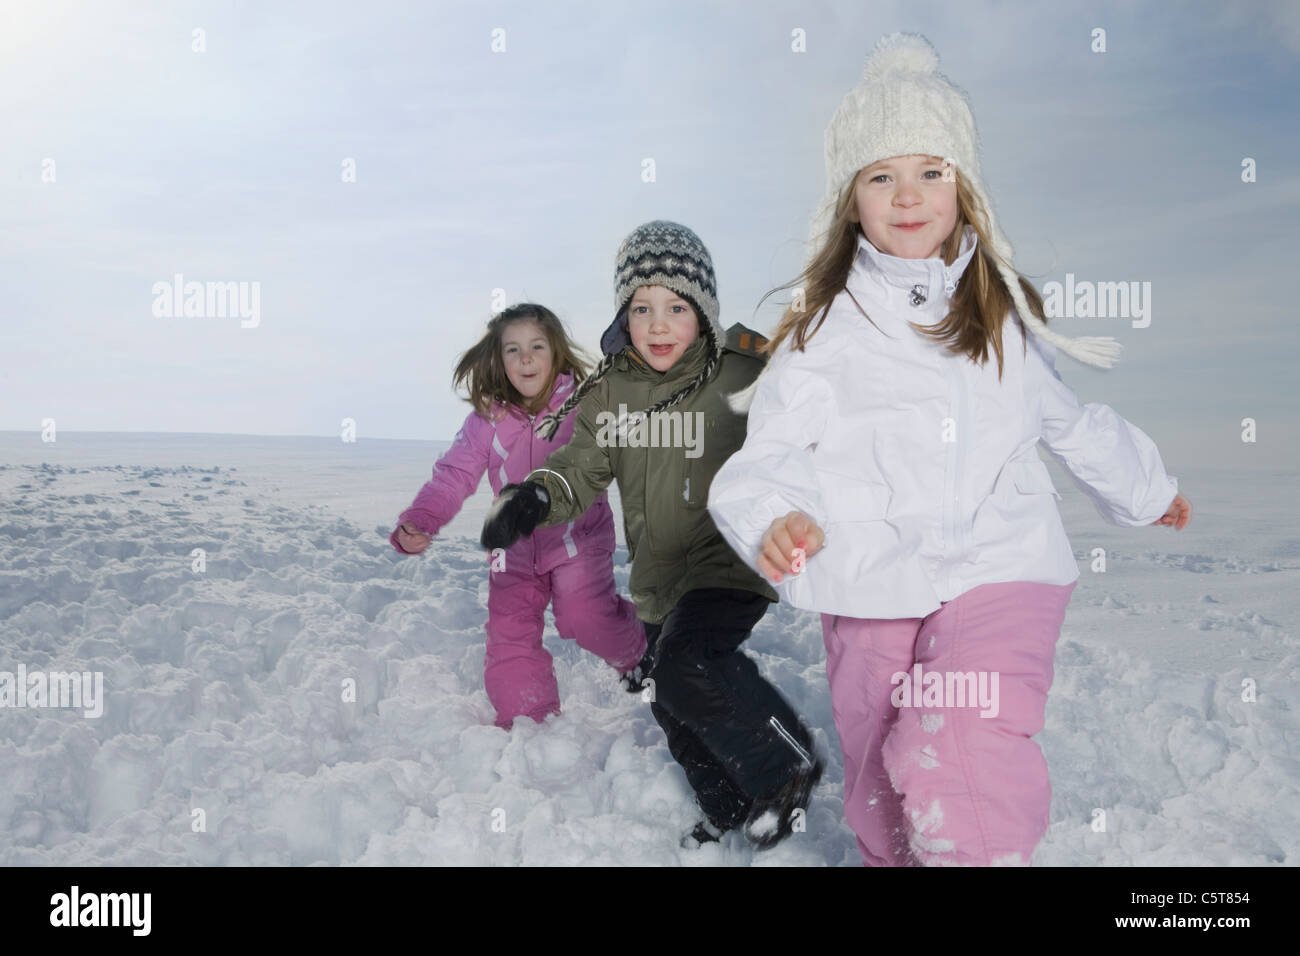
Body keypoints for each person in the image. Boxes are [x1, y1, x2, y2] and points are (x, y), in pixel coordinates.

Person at [707, 33, 1191, 866]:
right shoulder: (825, 331)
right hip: (873, 579)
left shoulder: (998, 315)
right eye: (880, 175)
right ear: (849, 197)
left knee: (952, 736)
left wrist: (1145, 489)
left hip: (1000, 568)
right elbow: (772, 445)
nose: (908, 195)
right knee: (880, 770)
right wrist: (775, 515)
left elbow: (1066, 420)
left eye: (932, 170)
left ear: (965, 187)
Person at [481, 221, 823, 850]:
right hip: (660, 579)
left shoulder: (741, 373)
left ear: (705, 311)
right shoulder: (610, 390)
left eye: (676, 307)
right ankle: (728, 806)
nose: (659, 324)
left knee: (691, 661)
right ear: (623, 316)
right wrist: (536, 493)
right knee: (670, 696)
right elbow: (581, 464)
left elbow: (811, 412)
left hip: (729, 560)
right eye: (642, 308)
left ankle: (787, 764)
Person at [391, 303, 646, 731]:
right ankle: (530, 718)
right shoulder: (486, 422)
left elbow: (623, 455)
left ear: (556, 353)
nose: (525, 358)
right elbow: (454, 475)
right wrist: (422, 519)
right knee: (509, 635)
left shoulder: (584, 407)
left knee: (584, 616)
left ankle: (637, 651)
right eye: (513, 349)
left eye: (536, 346)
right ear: (498, 359)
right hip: (512, 546)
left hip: (578, 540)